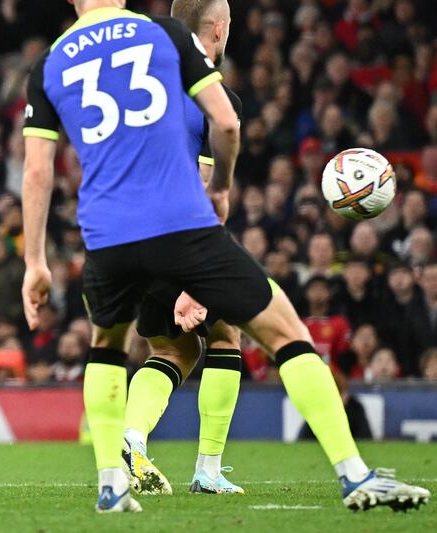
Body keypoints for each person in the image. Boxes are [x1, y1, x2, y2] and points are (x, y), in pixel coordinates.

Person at [21, 0, 428, 514]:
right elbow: (227, 124)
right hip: (181, 226)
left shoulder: (51, 61)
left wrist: (35, 261)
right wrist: (224, 192)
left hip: (106, 235)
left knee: (111, 349)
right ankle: (352, 475)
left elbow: (37, 173)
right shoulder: (165, 36)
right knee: (284, 333)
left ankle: (112, 484)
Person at [122, 0, 245, 497]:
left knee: (173, 347)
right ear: (218, 27)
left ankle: (132, 437)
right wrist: (190, 275)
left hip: (122, 232)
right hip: (177, 231)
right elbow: (197, 181)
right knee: (226, 336)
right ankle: (208, 471)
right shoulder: (212, 96)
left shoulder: (140, 92)